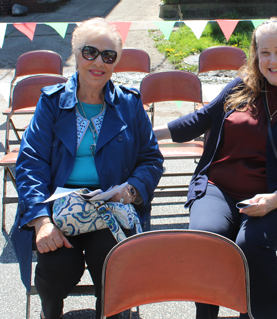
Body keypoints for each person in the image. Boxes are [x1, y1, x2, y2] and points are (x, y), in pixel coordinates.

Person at [154, 17, 277, 319]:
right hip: (219, 189)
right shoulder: (240, 87)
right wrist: (140, 133)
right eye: (264, 52)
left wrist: (273, 201)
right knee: (206, 239)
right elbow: (199, 120)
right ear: (256, 56)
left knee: (252, 242)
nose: (272, 60)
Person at [11, 18, 164, 319]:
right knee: (56, 269)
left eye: (108, 56)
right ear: (76, 53)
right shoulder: (52, 102)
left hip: (110, 208)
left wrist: (131, 189)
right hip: (59, 207)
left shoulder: (129, 104)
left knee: (112, 264)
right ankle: (49, 313)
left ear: (116, 62)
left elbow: (151, 159)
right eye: (90, 52)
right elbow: (31, 164)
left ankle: (111, 313)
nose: (98, 62)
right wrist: (41, 222)